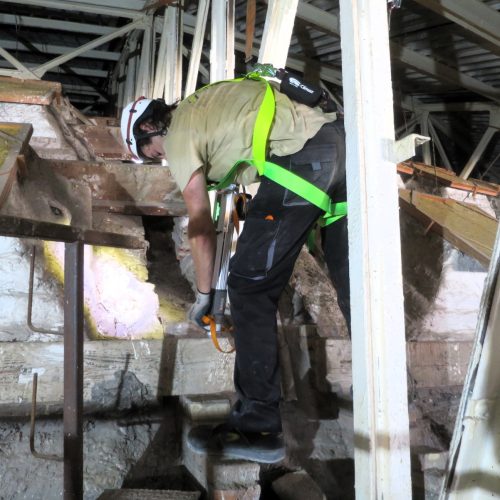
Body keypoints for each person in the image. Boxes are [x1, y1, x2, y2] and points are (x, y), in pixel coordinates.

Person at [120, 75, 350, 463]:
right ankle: (386, 393)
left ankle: (259, 425)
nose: (162, 158)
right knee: (353, 283)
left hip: (303, 157)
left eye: (152, 153)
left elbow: (199, 224)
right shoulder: (204, 106)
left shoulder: (178, 136)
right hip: (339, 146)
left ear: (148, 127)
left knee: (248, 287)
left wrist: (207, 294)